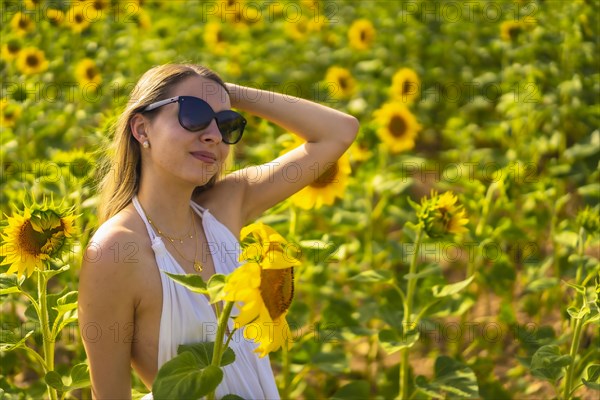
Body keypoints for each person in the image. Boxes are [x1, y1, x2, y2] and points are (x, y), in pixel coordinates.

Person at [78, 63, 359, 399]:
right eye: (193, 114)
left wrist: (227, 93)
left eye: (226, 124)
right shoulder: (116, 251)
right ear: (141, 129)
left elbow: (339, 131)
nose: (213, 135)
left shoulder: (225, 207)